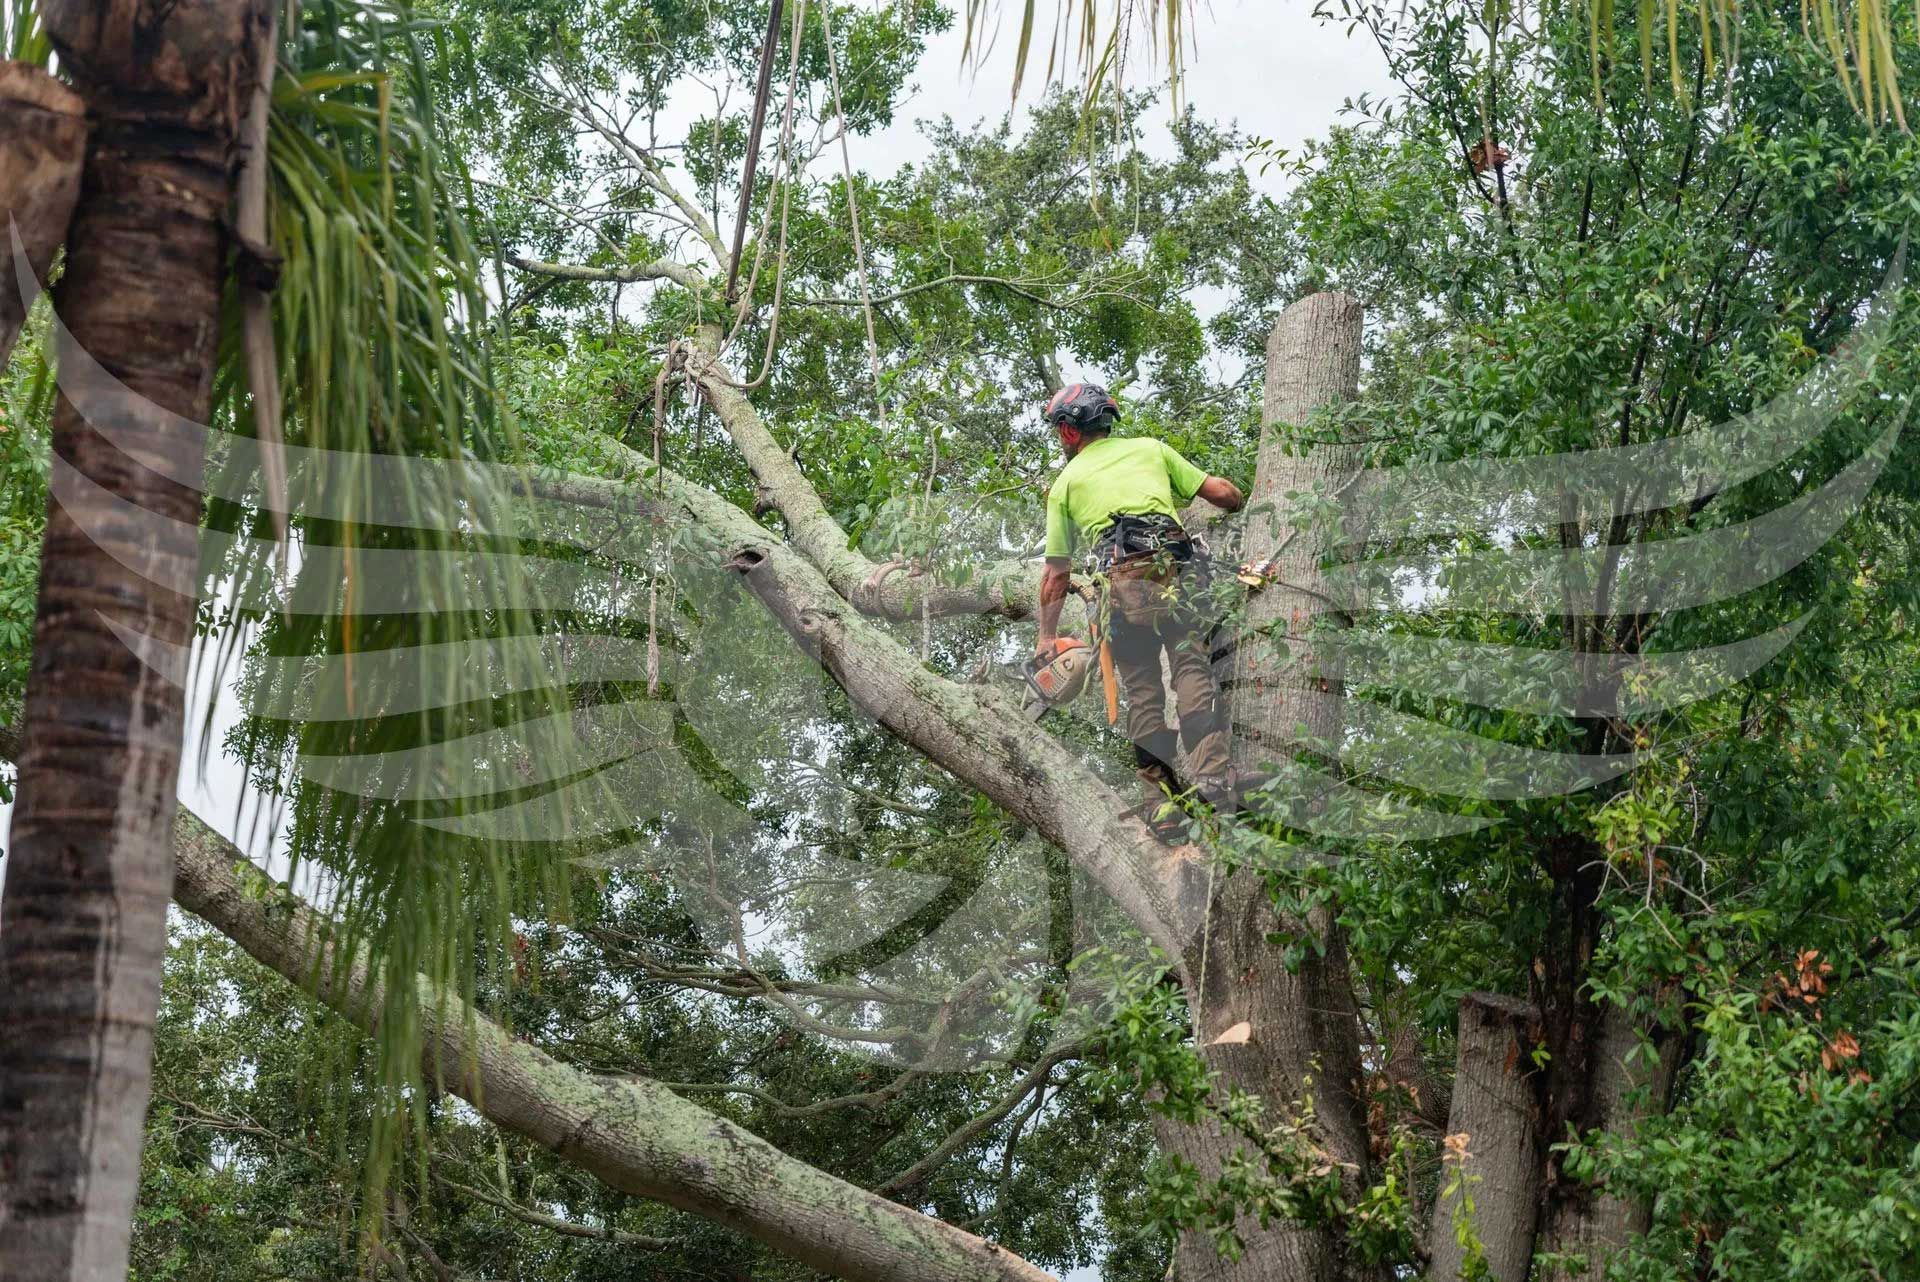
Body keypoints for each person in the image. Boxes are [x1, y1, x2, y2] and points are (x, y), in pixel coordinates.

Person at [1033, 383, 1244, 814]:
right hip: (1177, 574)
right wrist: (1239, 497)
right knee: (1190, 663)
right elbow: (1222, 494)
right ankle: (1212, 777)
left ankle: (1160, 807)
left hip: (1118, 593)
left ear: (1069, 432)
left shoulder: (1064, 484)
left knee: (1143, 692)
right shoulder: (1151, 448)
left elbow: (1057, 574)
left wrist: (1046, 637)